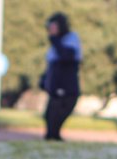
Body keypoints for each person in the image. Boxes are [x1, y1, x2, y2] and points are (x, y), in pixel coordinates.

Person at [41, 13, 82, 141]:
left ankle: (54, 136)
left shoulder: (70, 39)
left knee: (58, 114)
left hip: (66, 86)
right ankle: (52, 137)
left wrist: (54, 40)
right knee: (49, 115)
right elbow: (51, 65)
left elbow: (67, 57)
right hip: (55, 87)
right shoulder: (55, 43)